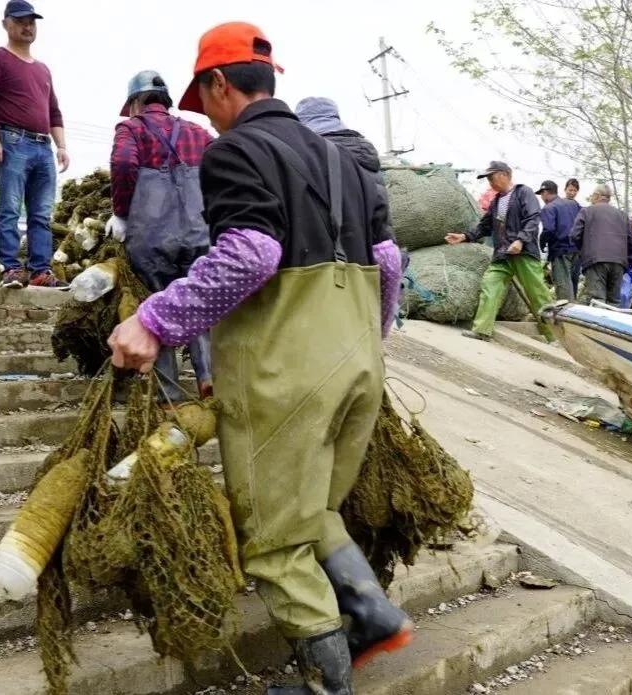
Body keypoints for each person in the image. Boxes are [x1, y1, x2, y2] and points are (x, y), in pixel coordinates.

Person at [107, 22, 407, 694]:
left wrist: (154, 320)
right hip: (359, 363)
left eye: (201, 96)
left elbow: (250, 254)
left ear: (219, 84)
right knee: (313, 510)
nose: (203, 114)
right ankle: (371, 612)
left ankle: (328, 682)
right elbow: (388, 258)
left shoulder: (236, 151)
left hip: (286, 372)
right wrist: (365, 335)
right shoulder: (344, 158)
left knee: (272, 538)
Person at [107, 70, 215, 401]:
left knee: (158, 303)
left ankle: (170, 393)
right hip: (198, 233)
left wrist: (121, 212)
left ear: (136, 103)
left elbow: (124, 163)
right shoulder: (199, 132)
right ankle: (208, 377)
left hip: (152, 238)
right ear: (165, 101)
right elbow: (221, 169)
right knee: (198, 300)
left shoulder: (132, 129)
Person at [0, 0, 69, 289]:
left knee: (42, 214)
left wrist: (61, 146)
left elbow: (53, 109)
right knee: (10, 209)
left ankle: (40, 271)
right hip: (11, 141)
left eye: (31, 21)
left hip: (43, 148)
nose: (27, 26)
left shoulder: (43, 70)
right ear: (6, 24)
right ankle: (11, 270)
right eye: (20, 21)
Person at [445, 161, 554, 342]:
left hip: (523, 252)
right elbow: (485, 226)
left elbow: (533, 218)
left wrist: (520, 240)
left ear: (504, 175)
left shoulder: (523, 192)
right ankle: (482, 330)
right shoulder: (496, 201)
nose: (490, 182)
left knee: (538, 293)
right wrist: (465, 236)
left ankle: (554, 335)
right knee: (490, 285)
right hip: (503, 254)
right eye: (488, 179)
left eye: (491, 177)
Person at [294, 96, 392, 243]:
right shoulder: (365, 153)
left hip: (326, 260)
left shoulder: (305, 158)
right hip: (372, 255)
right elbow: (382, 222)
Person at [570, 184, 629, 304]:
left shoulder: (586, 211)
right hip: (619, 263)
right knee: (614, 302)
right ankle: (611, 322)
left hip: (596, 260)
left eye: (592, 196)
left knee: (597, 301)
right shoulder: (623, 215)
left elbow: (574, 235)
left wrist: (584, 250)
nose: (591, 198)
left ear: (597, 196)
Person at [536, 180, 581, 302]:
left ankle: (567, 318)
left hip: (561, 250)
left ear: (546, 192)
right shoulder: (574, 204)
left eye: (541, 193)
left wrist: (542, 241)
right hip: (577, 250)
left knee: (563, 286)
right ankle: (576, 313)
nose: (541, 197)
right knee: (573, 284)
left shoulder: (548, 207)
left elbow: (549, 229)